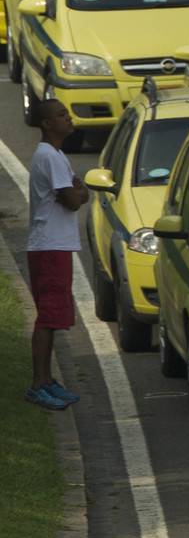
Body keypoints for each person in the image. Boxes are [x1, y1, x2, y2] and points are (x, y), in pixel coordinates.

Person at [26, 100, 85, 411]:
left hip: (57, 246)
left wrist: (78, 190)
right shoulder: (49, 157)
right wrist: (78, 191)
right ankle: (38, 384)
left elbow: (77, 191)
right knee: (48, 318)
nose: (68, 118)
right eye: (61, 115)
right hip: (49, 246)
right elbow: (74, 198)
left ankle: (48, 380)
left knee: (54, 316)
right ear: (47, 124)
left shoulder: (57, 155)